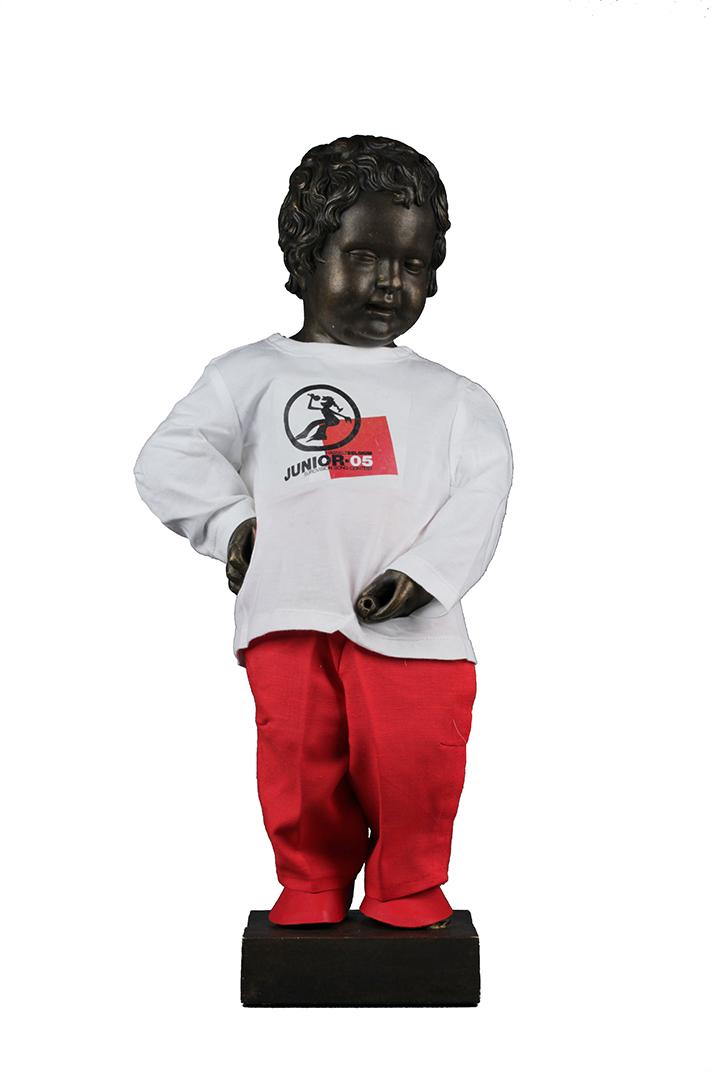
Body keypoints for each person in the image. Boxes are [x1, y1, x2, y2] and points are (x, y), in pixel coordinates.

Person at [133, 134, 513, 929]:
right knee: (300, 769)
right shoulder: (248, 376)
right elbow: (169, 457)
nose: (390, 282)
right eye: (365, 256)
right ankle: (310, 885)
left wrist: (426, 576)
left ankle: (408, 890)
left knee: (416, 763)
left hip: (414, 632)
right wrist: (231, 525)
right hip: (289, 612)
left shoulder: (454, 399)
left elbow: (482, 494)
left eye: (412, 264)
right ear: (306, 257)